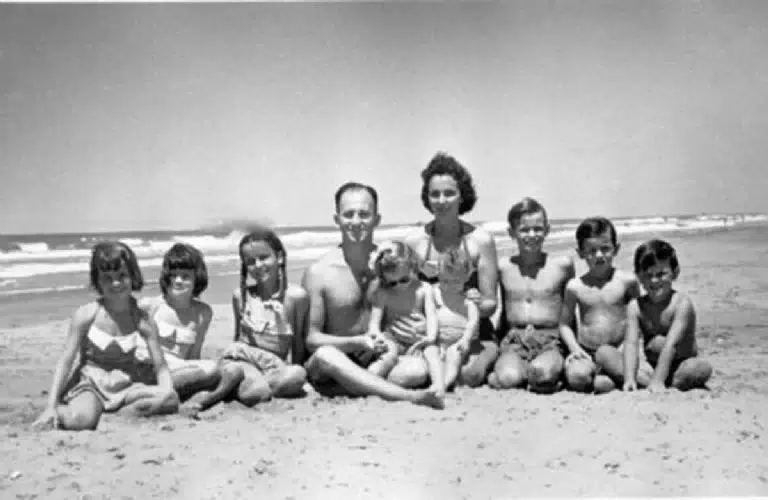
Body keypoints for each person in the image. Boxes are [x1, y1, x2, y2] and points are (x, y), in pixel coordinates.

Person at [302, 182, 445, 409]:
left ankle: (354, 386)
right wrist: (356, 342)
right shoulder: (319, 272)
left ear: (376, 219)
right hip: (335, 358)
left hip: (377, 358)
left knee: (416, 371)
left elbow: (440, 281)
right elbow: (312, 340)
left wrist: (423, 324)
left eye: (364, 214)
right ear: (337, 219)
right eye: (348, 214)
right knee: (325, 355)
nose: (356, 221)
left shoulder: (391, 263)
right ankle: (409, 397)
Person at [32, 242, 178, 431]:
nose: (116, 283)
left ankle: (117, 417)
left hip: (125, 385)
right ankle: (64, 412)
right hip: (91, 385)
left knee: (170, 399)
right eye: (108, 278)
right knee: (82, 421)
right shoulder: (87, 315)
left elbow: (161, 366)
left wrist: (166, 391)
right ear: (98, 282)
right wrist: (51, 406)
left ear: (133, 276)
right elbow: (65, 361)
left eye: (122, 276)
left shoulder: (142, 319)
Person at [404, 152, 500, 387]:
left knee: (468, 375)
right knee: (421, 372)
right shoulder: (415, 242)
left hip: (473, 332)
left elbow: (490, 303)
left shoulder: (480, 241)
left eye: (449, 193)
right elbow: (406, 297)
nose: (441, 200)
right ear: (427, 198)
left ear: (462, 196)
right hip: (432, 333)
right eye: (434, 194)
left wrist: (474, 303)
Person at [194, 228, 309, 411]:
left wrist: (297, 374)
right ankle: (227, 389)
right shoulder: (241, 296)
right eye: (250, 261)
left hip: (272, 365)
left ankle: (236, 386)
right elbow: (238, 339)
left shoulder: (295, 297)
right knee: (256, 393)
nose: (258, 265)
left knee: (297, 374)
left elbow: (298, 345)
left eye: (263, 257)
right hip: (243, 361)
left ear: (279, 257)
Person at [489, 197, 575, 393]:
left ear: (547, 230)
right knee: (508, 378)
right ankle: (511, 373)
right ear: (512, 233)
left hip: (551, 339)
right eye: (524, 230)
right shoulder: (503, 267)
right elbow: (502, 309)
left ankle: (546, 371)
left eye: (538, 229)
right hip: (515, 340)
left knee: (541, 374)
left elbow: (570, 310)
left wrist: (572, 346)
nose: (532, 235)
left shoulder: (562, 265)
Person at [559, 217, 641, 393]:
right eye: (591, 250)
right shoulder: (575, 286)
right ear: (580, 253)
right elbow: (564, 324)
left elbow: (639, 318)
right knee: (577, 377)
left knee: (610, 363)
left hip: (620, 350)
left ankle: (610, 376)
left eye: (605, 249)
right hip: (587, 352)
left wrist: (630, 346)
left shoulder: (627, 281)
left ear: (616, 249)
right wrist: (575, 349)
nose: (598, 255)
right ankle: (607, 378)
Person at [623, 239, 712, 392]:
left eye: (661, 274)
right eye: (648, 275)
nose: (654, 280)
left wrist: (658, 380)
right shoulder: (635, 306)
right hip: (651, 366)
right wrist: (629, 378)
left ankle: (659, 381)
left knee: (699, 368)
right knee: (606, 354)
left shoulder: (681, 304)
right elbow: (631, 344)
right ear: (639, 276)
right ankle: (649, 380)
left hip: (680, 364)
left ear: (675, 273)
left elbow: (672, 344)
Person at [137, 243, 220, 401]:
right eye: (173, 275)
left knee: (211, 368)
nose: (178, 281)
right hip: (147, 364)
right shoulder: (150, 305)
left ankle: (162, 389)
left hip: (177, 368)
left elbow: (194, 355)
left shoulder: (202, 313)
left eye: (185, 276)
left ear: (197, 278)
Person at [366, 241, 445, 396]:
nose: (399, 286)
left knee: (432, 352)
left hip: (419, 341)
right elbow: (374, 324)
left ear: (413, 267)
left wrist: (431, 337)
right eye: (392, 283)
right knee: (388, 354)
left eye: (404, 279)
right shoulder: (383, 293)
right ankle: (369, 379)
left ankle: (439, 387)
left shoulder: (424, 288)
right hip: (393, 338)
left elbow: (431, 316)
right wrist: (378, 336)